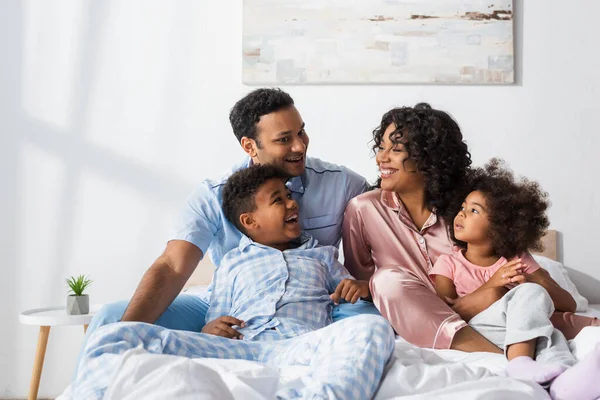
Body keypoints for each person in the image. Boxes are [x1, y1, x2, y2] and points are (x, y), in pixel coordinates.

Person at [73, 165, 394, 400]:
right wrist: (209, 328)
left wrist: (358, 288)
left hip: (298, 345)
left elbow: (349, 292)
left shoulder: (321, 256)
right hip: (235, 347)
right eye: (278, 200)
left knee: (373, 330)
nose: (292, 203)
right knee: (115, 335)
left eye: (289, 196)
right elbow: (218, 311)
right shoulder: (233, 262)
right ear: (250, 221)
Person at [342, 103, 600, 353]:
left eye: (395, 150)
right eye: (381, 147)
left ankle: (535, 344)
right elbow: (362, 282)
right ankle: (498, 356)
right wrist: (367, 289)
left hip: (487, 310)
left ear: (428, 158)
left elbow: (525, 284)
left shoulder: (469, 211)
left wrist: (530, 282)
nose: (380, 158)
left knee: (533, 303)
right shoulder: (363, 209)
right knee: (386, 280)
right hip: (417, 314)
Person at [429, 159, 600, 399]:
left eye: (474, 210)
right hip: (479, 330)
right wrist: (494, 284)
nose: (462, 213)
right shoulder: (448, 263)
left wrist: (535, 280)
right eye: (463, 207)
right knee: (543, 322)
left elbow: (568, 305)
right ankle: (519, 362)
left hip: (520, 328)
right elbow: (444, 314)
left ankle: (566, 382)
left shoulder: (517, 259)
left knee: (546, 328)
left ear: (501, 225)